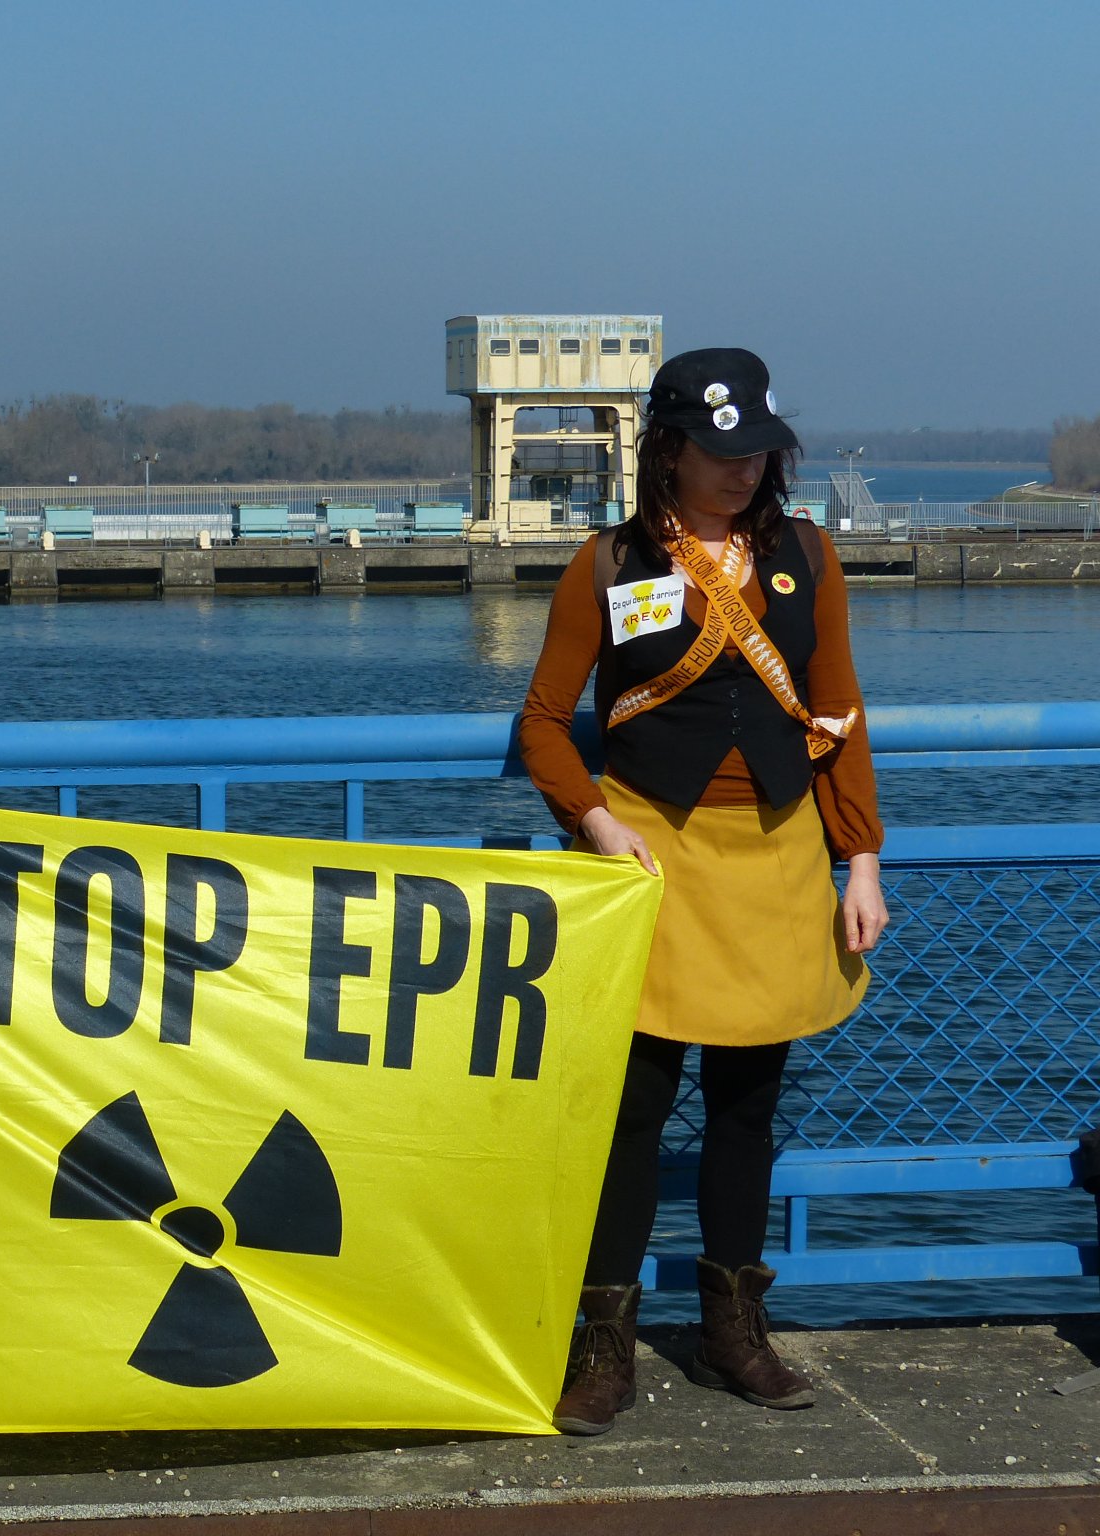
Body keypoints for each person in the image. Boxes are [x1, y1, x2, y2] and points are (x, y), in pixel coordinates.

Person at [516, 347, 888, 1436]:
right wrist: (594, 821)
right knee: (631, 1110)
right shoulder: (604, 563)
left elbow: (837, 711)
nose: (744, 469)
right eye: (722, 452)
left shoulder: (806, 556)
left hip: (776, 855)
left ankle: (733, 1332)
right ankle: (602, 1347)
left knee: (745, 1106)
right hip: (651, 859)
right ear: (667, 451)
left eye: (758, 450)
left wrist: (860, 858)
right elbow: (543, 723)